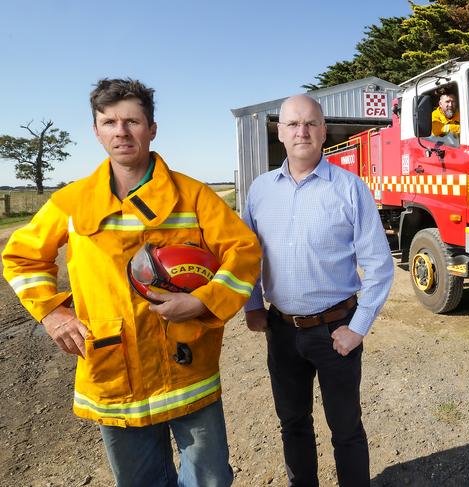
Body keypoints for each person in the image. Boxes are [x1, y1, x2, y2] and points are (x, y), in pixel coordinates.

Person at [2, 78, 261, 487]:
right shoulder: (72, 202)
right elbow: (21, 257)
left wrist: (202, 302)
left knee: (209, 480)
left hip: (186, 369)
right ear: (96, 131)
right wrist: (53, 314)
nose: (121, 132)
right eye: (109, 122)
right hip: (112, 371)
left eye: (132, 121)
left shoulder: (192, 196)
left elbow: (244, 253)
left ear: (151, 129)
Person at [242, 95, 394, 487]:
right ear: (280, 132)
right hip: (282, 330)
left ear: (324, 132)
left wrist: (358, 327)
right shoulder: (260, 191)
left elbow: (379, 264)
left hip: (335, 330)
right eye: (293, 124)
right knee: (292, 424)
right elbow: (246, 257)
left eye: (310, 123)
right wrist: (253, 306)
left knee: (345, 427)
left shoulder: (349, 188)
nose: (302, 131)